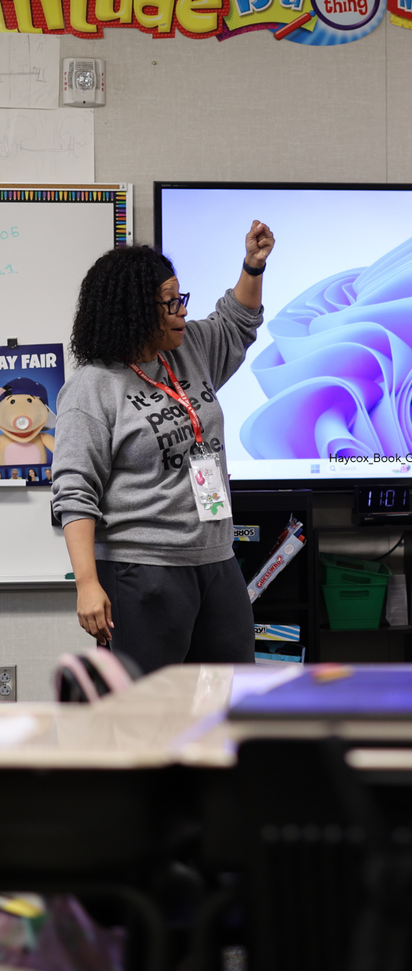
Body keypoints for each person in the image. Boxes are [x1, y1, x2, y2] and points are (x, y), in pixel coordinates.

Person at [52, 221, 274, 673]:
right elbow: (74, 492)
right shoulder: (93, 388)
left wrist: (253, 266)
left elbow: (236, 322)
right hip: (142, 570)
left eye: (181, 299)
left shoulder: (186, 351)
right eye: (170, 304)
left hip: (216, 559)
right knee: (148, 714)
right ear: (133, 313)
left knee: (227, 698)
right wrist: (88, 585)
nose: (182, 313)